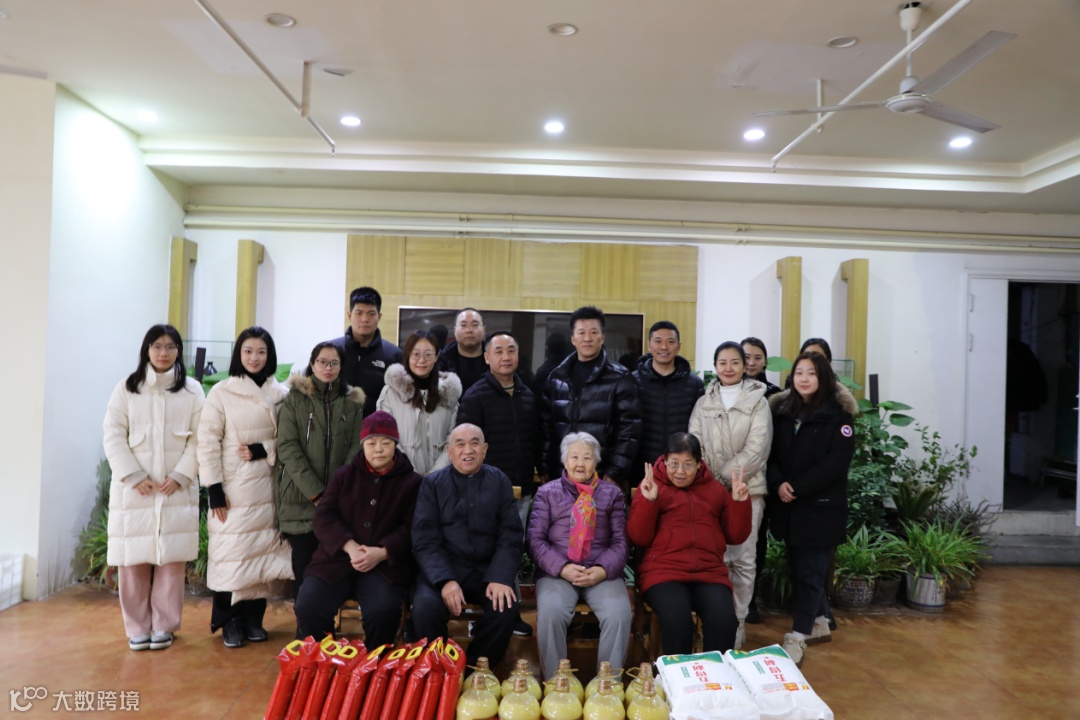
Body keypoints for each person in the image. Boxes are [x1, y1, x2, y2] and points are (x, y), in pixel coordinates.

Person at [102, 324, 204, 652]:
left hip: (175, 489)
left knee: (171, 560)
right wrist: (132, 475)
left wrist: (182, 474)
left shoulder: (192, 391)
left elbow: (201, 437)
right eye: (157, 346)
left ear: (178, 352)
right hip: (135, 490)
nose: (164, 352)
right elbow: (112, 434)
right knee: (132, 560)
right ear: (147, 349)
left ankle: (164, 625)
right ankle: (137, 627)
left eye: (171, 346)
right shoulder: (126, 388)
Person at [197, 326, 293, 648]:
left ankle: (254, 619)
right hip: (234, 489)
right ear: (239, 353)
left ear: (270, 355)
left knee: (260, 555)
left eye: (261, 352)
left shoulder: (281, 393)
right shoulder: (221, 392)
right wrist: (213, 487)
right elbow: (207, 442)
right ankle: (229, 621)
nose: (255, 358)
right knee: (232, 553)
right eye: (248, 351)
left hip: (268, 488)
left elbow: (291, 440)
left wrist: (263, 448)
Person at [294, 411, 423, 646]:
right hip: (337, 560)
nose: (378, 450)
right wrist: (350, 546)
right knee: (308, 604)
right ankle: (327, 658)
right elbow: (323, 517)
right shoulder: (345, 475)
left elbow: (413, 526)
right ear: (362, 445)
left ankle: (375, 662)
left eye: (386, 443)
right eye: (371, 443)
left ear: (396, 445)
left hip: (384, 567)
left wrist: (383, 552)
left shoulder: (412, 482)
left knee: (383, 611)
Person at [767, 352, 856, 667]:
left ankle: (798, 636)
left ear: (824, 378)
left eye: (812, 373)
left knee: (811, 572)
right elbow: (771, 455)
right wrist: (778, 483)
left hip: (820, 508)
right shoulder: (783, 412)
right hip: (789, 505)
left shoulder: (838, 416)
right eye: (799, 372)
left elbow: (835, 464)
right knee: (799, 568)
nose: (804, 378)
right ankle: (817, 622)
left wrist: (798, 487)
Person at [626, 433, 751, 656]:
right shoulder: (652, 486)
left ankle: (713, 675)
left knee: (724, 620)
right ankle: (678, 675)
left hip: (709, 573)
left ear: (699, 464)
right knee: (678, 621)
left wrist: (739, 503)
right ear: (664, 461)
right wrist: (648, 501)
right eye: (674, 464)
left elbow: (735, 536)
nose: (680, 472)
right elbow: (639, 538)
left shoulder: (715, 490)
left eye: (688, 465)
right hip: (663, 573)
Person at [411, 423, 524, 668]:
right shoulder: (433, 484)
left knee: (505, 609)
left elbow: (511, 534)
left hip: (488, 570)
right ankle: (438, 671)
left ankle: (475, 670)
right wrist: (445, 580)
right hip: (446, 567)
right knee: (425, 608)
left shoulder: (499, 480)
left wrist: (500, 576)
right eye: (460, 444)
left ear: (485, 449)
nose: (468, 450)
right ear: (449, 451)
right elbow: (425, 540)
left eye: (474, 443)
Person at [689, 341, 772, 649]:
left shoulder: (759, 401)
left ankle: (737, 622)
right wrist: (710, 482)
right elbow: (694, 445)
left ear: (744, 366)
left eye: (735, 362)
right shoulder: (703, 402)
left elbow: (758, 448)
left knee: (744, 559)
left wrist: (723, 478)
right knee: (716, 557)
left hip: (748, 489)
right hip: (709, 491)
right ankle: (716, 620)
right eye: (722, 362)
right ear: (715, 366)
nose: (728, 368)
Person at [527, 432, 631, 677]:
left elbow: (621, 542)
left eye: (587, 457)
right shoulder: (547, 493)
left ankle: (607, 684)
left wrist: (603, 570)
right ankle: (557, 682)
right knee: (551, 614)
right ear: (564, 461)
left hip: (600, 572)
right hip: (558, 572)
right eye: (574, 457)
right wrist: (562, 567)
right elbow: (534, 540)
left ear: (596, 462)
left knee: (619, 614)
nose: (580, 463)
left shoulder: (612, 494)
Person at [274, 341, 366, 608]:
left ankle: (324, 622)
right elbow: (287, 447)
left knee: (334, 565)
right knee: (303, 565)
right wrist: (315, 492)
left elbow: (356, 447)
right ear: (312, 364)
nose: (328, 368)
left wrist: (335, 492)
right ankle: (305, 625)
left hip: (338, 501)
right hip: (300, 498)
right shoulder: (295, 399)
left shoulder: (351, 402)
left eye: (334, 363)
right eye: (322, 362)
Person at [541, 306, 642, 487]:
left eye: (593, 332)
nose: (587, 338)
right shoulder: (556, 378)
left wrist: (615, 472)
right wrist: (544, 467)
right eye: (581, 332)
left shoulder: (621, 378)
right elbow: (545, 428)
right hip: (561, 476)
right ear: (573, 338)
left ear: (602, 337)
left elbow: (629, 431)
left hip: (601, 477)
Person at [457, 331, 542, 523]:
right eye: (499, 351)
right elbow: (464, 448)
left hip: (522, 489)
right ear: (487, 357)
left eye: (511, 351)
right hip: (485, 491)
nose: (506, 357)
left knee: (516, 539)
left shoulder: (527, 396)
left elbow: (535, 440)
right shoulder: (474, 397)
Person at [377, 330, 462, 476]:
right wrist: (410, 473)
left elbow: (453, 439)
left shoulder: (448, 394)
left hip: (440, 478)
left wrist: (434, 474)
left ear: (436, 357)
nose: (422, 360)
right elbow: (386, 436)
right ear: (407, 355)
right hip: (401, 476)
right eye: (416, 354)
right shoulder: (390, 393)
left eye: (428, 354)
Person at [631, 321, 705, 486]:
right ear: (649, 345)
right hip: (642, 467)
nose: (664, 347)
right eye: (658, 341)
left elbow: (700, 429)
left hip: (681, 470)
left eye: (670, 342)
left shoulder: (694, 384)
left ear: (678, 346)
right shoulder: (632, 381)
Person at [740, 337, 781, 625]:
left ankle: (751, 601)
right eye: (746, 357)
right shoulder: (726, 390)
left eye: (757, 357)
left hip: (763, 478)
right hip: (730, 477)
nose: (751, 362)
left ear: (765, 361)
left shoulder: (776, 396)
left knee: (756, 542)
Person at [331, 286, 404, 417]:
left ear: (379, 316)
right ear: (349, 315)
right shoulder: (331, 350)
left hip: (376, 427)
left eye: (371, 314)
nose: (364, 319)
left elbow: (401, 401)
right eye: (359, 313)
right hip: (335, 426)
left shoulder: (394, 355)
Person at [438, 308, 488, 392]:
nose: (469, 330)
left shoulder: (495, 360)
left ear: (483, 330)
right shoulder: (441, 361)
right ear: (455, 331)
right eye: (463, 325)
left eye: (475, 325)